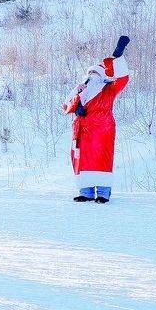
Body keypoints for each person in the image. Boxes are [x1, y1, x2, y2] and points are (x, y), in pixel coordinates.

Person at [63, 36, 131, 203]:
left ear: (102, 76)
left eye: (95, 73)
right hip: (81, 132)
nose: (91, 75)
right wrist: (77, 94)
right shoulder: (81, 90)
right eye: (90, 73)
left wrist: (117, 55)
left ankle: (103, 193)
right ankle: (85, 192)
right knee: (82, 161)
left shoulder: (109, 89)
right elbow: (66, 107)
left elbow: (123, 79)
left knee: (101, 160)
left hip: (101, 130)